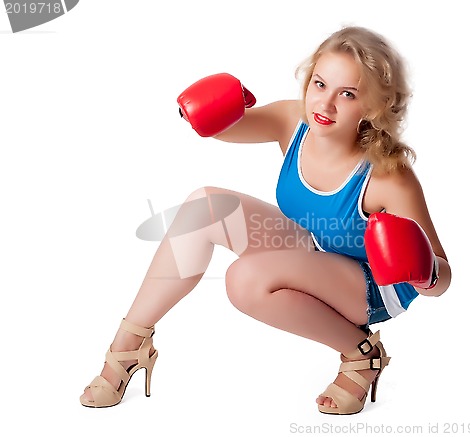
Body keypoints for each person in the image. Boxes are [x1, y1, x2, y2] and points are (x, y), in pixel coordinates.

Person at [80, 26, 451, 415]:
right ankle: (128, 346)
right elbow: (227, 128)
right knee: (204, 207)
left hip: (370, 288)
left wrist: (424, 273)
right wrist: (211, 110)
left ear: (374, 106)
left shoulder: (387, 176)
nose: (325, 103)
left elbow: (441, 278)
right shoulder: (294, 121)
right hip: (315, 250)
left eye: (348, 94)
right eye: (320, 84)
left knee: (244, 279)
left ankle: (359, 354)